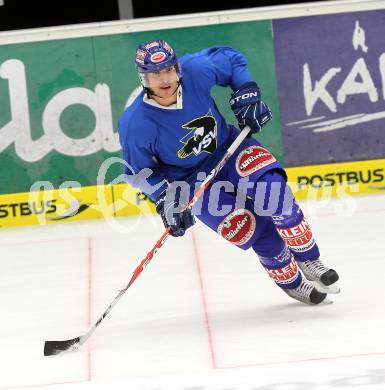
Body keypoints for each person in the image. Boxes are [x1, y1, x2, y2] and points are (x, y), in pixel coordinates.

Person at [118, 39, 340, 305]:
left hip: (230, 148)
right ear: (143, 78)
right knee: (249, 229)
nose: (163, 79)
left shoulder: (195, 70)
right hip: (190, 182)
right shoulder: (135, 123)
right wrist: (165, 198)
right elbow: (136, 173)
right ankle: (292, 282)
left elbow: (231, 58)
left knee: (275, 194)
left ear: (176, 67)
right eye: (154, 74)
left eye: (167, 70)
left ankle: (310, 259)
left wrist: (246, 91)